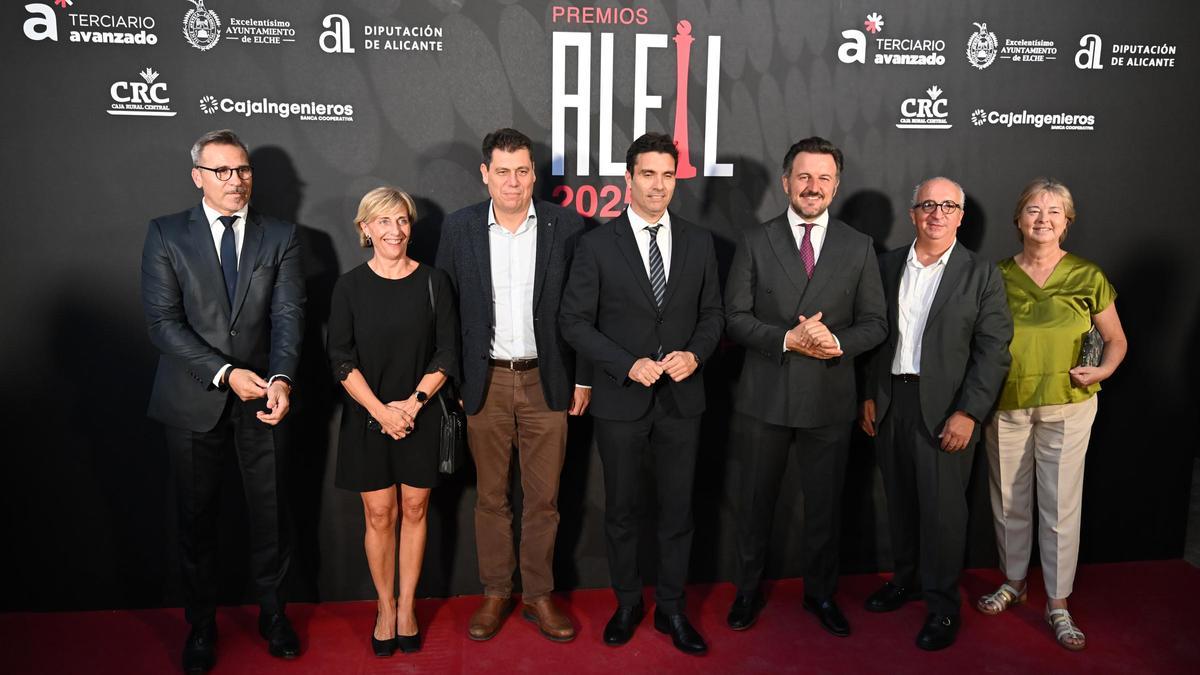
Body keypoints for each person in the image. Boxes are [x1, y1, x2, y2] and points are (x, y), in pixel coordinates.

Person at [140, 129, 305, 673]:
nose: (236, 181)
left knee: (273, 517)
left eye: (243, 170)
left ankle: (275, 616)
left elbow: (288, 316)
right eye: (223, 172)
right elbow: (163, 323)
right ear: (199, 177)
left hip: (264, 399)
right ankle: (202, 626)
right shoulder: (166, 234)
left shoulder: (280, 235)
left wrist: (280, 378)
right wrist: (225, 372)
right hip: (193, 399)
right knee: (196, 520)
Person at [560, 133, 724, 655]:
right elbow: (574, 321)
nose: (658, 185)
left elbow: (713, 315)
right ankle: (628, 602)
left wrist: (695, 355)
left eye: (667, 175)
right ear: (628, 179)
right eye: (648, 174)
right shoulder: (595, 245)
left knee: (678, 511)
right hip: (620, 400)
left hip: (683, 400)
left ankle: (672, 610)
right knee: (623, 511)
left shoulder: (700, 242)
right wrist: (627, 364)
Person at [723, 137, 887, 636]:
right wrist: (787, 338)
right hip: (765, 398)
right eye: (803, 177)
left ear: (836, 186)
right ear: (786, 181)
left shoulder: (858, 246)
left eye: (823, 178)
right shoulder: (754, 240)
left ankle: (820, 594)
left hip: (829, 399)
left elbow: (876, 323)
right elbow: (733, 318)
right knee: (754, 505)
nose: (812, 187)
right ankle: (747, 591)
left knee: (825, 508)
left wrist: (834, 341)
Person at [436, 128, 590, 643]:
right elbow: (447, 311)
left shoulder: (567, 226)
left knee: (544, 499)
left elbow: (586, 309)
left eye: (522, 170)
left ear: (534, 174)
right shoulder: (458, 229)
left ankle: (539, 596)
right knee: (491, 498)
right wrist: (457, 379)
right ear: (485, 174)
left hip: (549, 380)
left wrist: (582, 376)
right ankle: (497, 591)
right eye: (502, 171)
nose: (513, 181)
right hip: (487, 383)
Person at [858, 177, 1013, 650]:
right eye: (928, 204)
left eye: (948, 206)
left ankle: (943, 607)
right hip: (891, 402)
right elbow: (871, 334)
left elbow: (994, 352)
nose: (937, 213)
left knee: (944, 513)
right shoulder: (884, 267)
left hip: (947, 407)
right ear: (913, 213)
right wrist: (868, 393)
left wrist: (969, 411)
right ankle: (904, 580)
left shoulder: (980, 274)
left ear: (961, 216)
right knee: (900, 501)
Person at [975, 178, 1127, 651]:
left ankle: (1058, 602)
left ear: (1067, 221)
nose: (1044, 219)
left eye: (1054, 211)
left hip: (1069, 402)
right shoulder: (994, 275)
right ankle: (1014, 582)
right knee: (1008, 502)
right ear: (1018, 219)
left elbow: (1117, 339)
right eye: (1034, 210)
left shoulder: (1088, 275)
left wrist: (1102, 368)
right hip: (1005, 403)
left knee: (1060, 506)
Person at [327, 187, 459, 656]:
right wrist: (382, 411)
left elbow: (448, 351)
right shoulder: (349, 286)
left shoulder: (433, 281)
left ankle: (407, 606)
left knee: (416, 511)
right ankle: (384, 606)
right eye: (383, 221)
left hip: (419, 414)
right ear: (365, 229)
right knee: (380, 515)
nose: (395, 230)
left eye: (402, 220)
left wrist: (414, 403)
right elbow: (339, 358)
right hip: (368, 418)